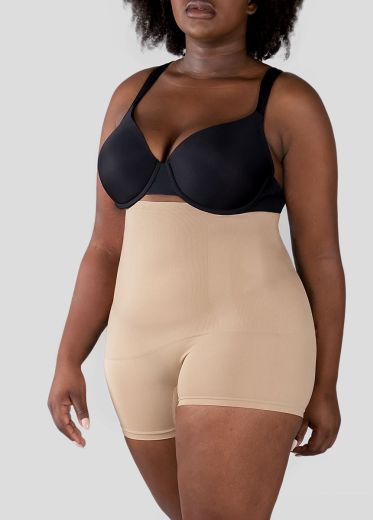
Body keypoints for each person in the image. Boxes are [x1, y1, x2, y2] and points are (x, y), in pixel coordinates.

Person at [47, 1, 345, 518]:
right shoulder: (130, 94)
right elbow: (105, 246)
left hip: (250, 337)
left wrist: (325, 384)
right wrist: (68, 358)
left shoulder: (289, 102)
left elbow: (319, 257)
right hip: (135, 352)